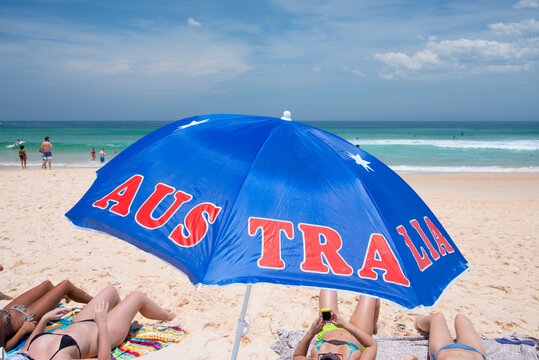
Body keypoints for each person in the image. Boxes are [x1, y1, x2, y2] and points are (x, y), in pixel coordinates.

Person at [9, 285, 175, 360]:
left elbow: (30, 340)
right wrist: (102, 324)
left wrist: (45, 319)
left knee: (111, 290)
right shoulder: (59, 358)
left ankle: (121, 315)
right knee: (137, 296)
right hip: (105, 332)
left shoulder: (24, 352)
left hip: (81, 322)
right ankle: (170, 316)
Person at [1, 280, 92, 352]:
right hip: (25, 316)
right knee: (66, 285)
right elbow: (2, 350)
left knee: (47, 285)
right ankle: (98, 302)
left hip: (11, 310)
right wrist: (23, 330)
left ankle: (59, 296)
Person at [293, 289, 379, 360]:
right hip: (359, 331)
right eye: (336, 355)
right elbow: (372, 345)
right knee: (370, 293)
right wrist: (345, 325)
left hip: (328, 326)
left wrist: (311, 332)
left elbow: (297, 356)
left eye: (324, 355)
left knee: (327, 285)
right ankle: (374, 327)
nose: (330, 351)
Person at [410, 312, 486, 360]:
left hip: (444, 350)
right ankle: (419, 322)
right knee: (460, 317)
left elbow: (410, 358)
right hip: (473, 351)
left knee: (438, 317)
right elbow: (410, 357)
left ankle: (418, 322)